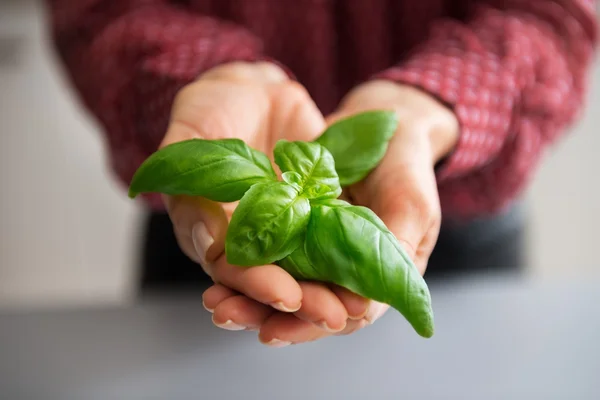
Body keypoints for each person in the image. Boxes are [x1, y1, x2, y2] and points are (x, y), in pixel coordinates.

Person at [47, 0, 597, 347]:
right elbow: (95, 10)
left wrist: (430, 105)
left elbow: (556, 14)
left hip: (458, 221)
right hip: (212, 226)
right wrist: (201, 77)